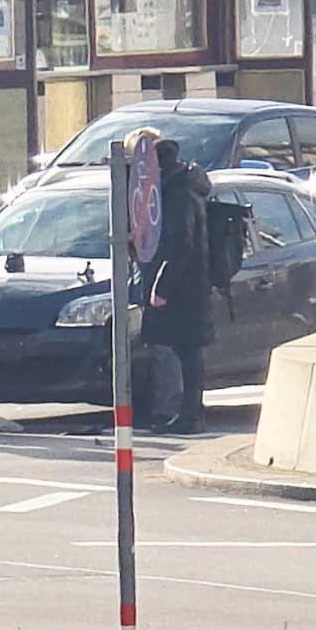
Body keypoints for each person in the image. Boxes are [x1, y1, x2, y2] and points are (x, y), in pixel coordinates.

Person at [140, 138, 214, 435]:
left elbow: (181, 244)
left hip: (184, 286)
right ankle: (188, 413)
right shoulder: (181, 187)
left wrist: (162, 286)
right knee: (186, 350)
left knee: (187, 350)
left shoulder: (179, 193)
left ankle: (190, 415)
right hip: (187, 283)